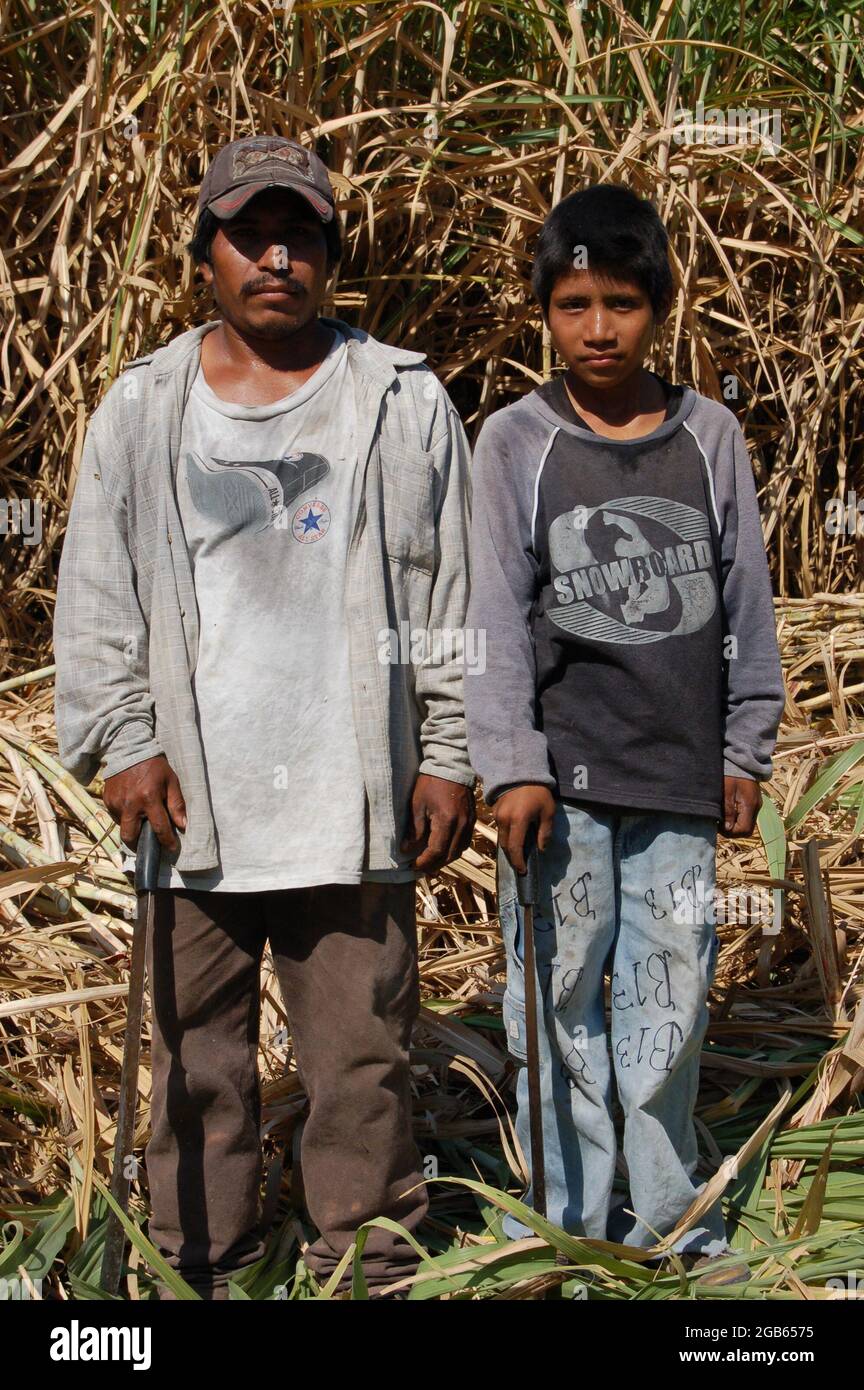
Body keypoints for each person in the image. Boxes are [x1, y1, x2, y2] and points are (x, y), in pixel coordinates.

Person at [53, 135, 476, 1298]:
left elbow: (450, 591)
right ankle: (202, 1266)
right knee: (198, 1069)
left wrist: (446, 752)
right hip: (194, 808)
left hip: (355, 798)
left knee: (361, 1062)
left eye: (301, 235)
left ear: (332, 255)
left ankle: (366, 1266)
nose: (277, 256)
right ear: (208, 257)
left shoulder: (401, 401)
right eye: (251, 234)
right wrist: (123, 742)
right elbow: (96, 596)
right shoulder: (141, 411)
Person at [464, 184, 784, 1281]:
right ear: (543, 313)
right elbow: (493, 617)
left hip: (680, 786)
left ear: (661, 305)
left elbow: (749, 605)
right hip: (561, 786)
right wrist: (508, 763)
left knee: (667, 999)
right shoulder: (516, 443)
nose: (597, 329)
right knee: (554, 995)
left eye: (621, 303)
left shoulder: (711, 436)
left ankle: (670, 1219)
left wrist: (745, 748)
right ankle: (564, 1215)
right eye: (571, 304)